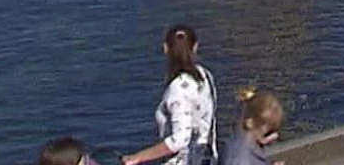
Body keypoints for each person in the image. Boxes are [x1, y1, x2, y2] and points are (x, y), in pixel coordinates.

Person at [122, 26, 217, 165]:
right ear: (195, 47)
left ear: (165, 48)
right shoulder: (205, 76)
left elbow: (180, 139)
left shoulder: (179, 89)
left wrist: (138, 157)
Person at [221, 90, 284, 165]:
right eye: (268, 133)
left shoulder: (249, 146)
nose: (275, 137)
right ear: (250, 124)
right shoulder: (239, 158)